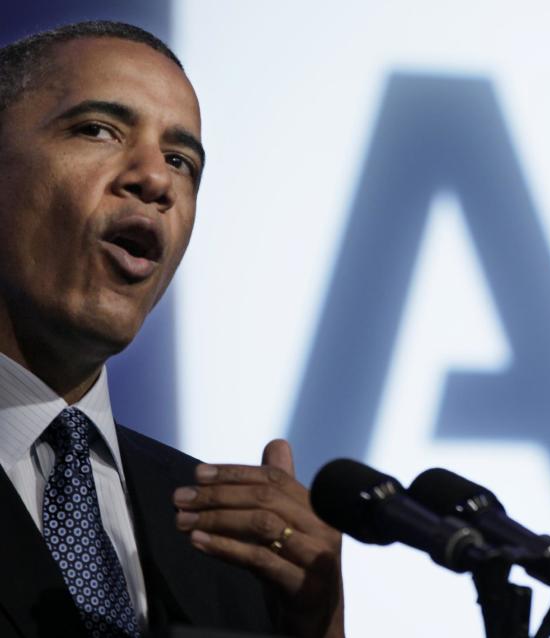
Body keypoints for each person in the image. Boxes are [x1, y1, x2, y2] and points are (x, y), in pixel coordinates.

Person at [0, 21, 344, 638]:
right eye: (98, 129)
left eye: (181, 161)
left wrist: (317, 628)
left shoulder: (228, 541)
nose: (156, 181)